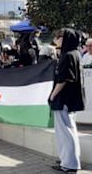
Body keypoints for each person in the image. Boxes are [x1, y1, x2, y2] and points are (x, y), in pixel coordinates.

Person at [49, 28, 84, 173]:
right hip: (70, 99)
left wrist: (53, 95)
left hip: (64, 99)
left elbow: (64, 79)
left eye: (59, 36)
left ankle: (70, 164)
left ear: (66, 38)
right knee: (69, 130)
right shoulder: (75, 53)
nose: (56, 39)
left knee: (66, 132)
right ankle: (68, 161)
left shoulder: (68, 55)